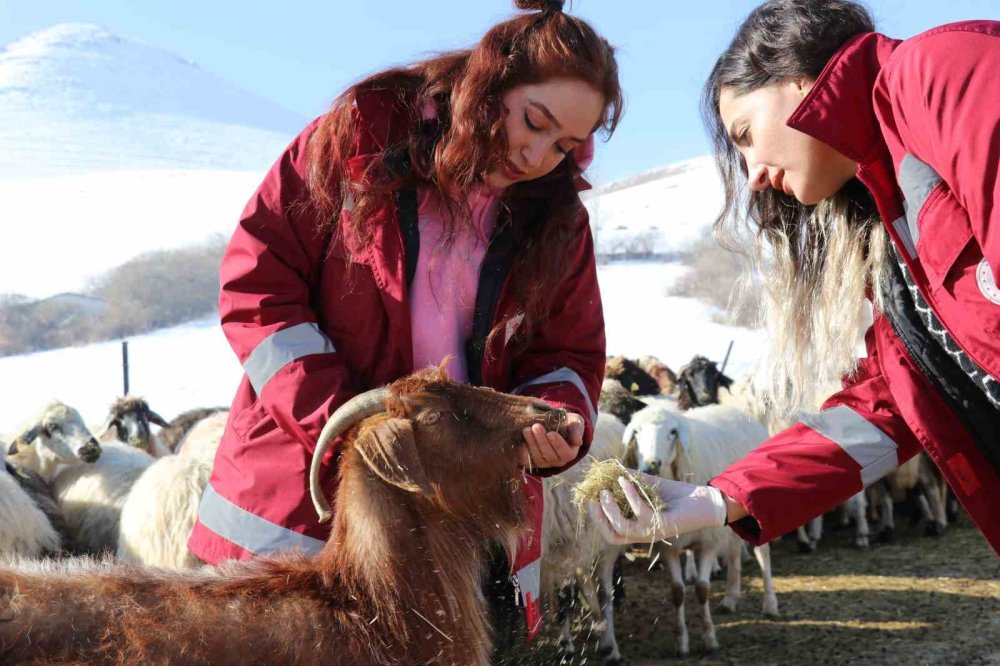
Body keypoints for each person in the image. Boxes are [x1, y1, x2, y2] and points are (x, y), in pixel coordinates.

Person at [186, 0, 622, 644]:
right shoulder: (355, 140)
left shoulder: (556, 220)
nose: (536, 156)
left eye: (563, 146)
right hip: (301, 510)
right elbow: (259, 284)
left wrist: (549, 417)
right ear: (489, 82)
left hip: (457, 516)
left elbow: (568, 352)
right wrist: (346, 422)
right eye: (534, 121)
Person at [591, 0, 999, 554]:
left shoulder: (943, 72)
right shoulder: (892, 239)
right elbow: (894, 406)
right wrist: (719, 500)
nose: (753, 176)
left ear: (795, 77)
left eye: (744, 134)